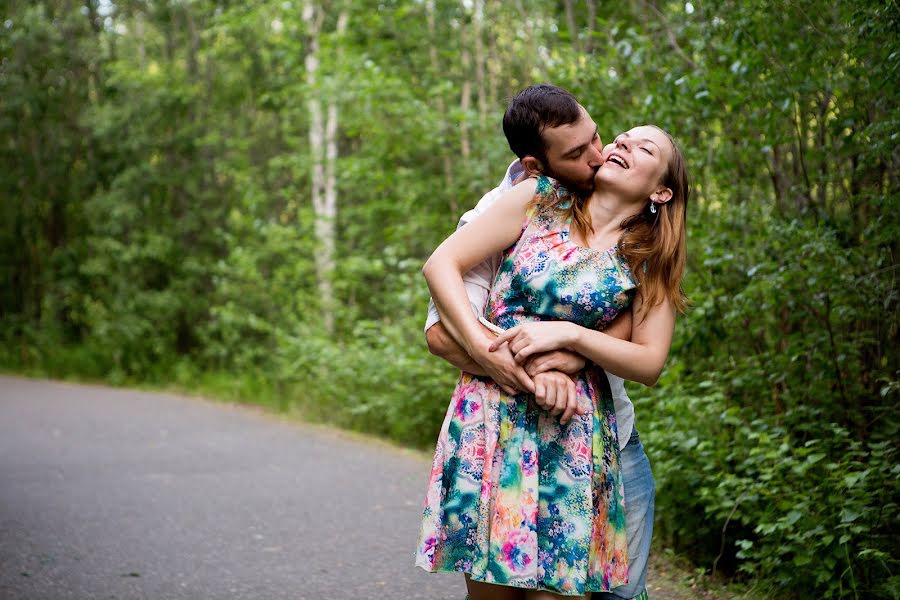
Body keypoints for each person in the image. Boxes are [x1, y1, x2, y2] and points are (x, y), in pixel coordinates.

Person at [419, 86, 672, 599]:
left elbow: (638, 349)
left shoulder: (644, 254)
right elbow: (442, 328)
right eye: (581, 153)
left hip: (579, 434)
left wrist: (571, 348)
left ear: (661, 191)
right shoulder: (529, 200)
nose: (603, 153)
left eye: (602, 138)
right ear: (540, 162)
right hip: (492, 424)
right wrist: (513, 363)